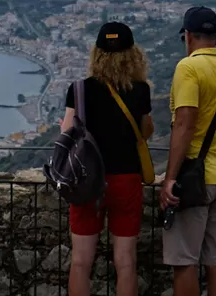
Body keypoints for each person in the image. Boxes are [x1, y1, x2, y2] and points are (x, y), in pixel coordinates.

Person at [60, 21, 155, 296]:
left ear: (97, 54)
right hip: (126, 178)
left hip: (87, 180)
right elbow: (145, 131)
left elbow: (67, 132)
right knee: (126, 263)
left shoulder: (79, 89)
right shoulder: (141, 90)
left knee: (80, 262)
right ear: (132, 54)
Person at [159, 7, 216, 296]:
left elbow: (184, 124)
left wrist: (170, 178)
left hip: (195, 179)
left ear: (188, 37)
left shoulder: (188, 68)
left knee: (184, 262)